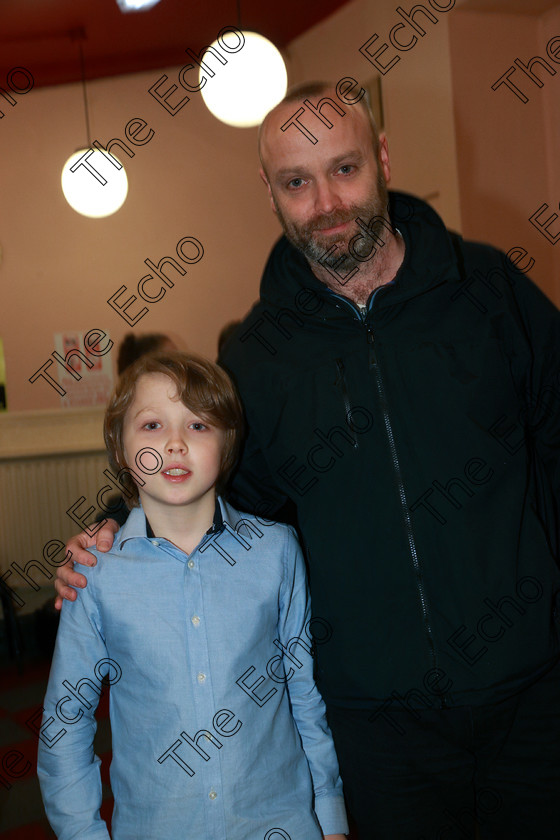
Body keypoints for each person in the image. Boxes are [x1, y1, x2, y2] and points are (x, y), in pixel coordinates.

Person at [56, 82, 560, 838]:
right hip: (376, 726)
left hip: (535, 694)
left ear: (383, 160)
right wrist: (115, 531)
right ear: (270, 191)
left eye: (345, 170)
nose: (326, 202)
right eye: (297, 182)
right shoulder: (256, 358)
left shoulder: (489, 292)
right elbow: (219, 496)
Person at [39, 350, 348, 840]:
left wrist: (329, 816)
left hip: (281, 823)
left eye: (199, 426)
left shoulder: (276, 552)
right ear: (121, 450)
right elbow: (66, 722)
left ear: (228, 445)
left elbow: (303, 692)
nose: (177, 443)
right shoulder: (95, 576)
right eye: (153, 425)